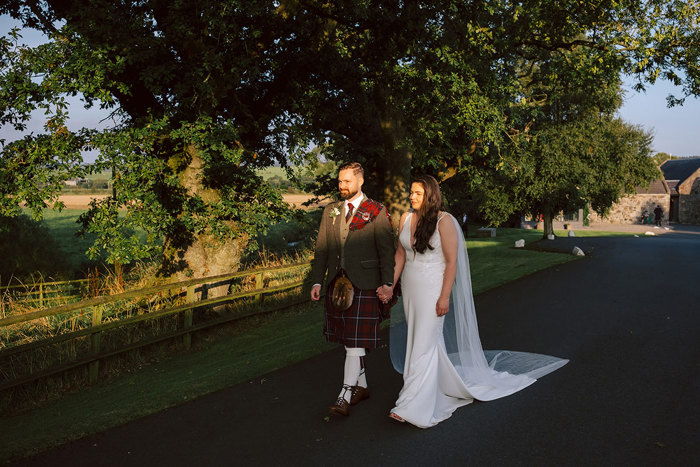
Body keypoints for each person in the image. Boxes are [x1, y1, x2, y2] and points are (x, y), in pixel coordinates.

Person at [378, 175, 568, 428]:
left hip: (434, 289)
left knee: (423, 345)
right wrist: (390, 284)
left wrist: (445, 296)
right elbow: (400, 254)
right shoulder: (405, 219)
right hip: (412, 289)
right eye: (411, 192)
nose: (412, 197)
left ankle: (410, 406)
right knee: (420, 341)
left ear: (430, 196)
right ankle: (437, 386)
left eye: (417, 193)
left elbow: (452, 262)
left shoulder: (445, 222)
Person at [310, 162, 396, 417]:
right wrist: (317, 281)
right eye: (340, 181)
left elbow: (386, 252)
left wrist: (388, 283)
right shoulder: (331, 210)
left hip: (367, 284)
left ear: (361, 181)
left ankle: (345, 393)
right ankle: (363, 386)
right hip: (338, 286)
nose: (342, 186)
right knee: (350, 340)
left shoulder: (377, 211)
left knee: (354, 342)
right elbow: (322, 250)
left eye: (347, 181)